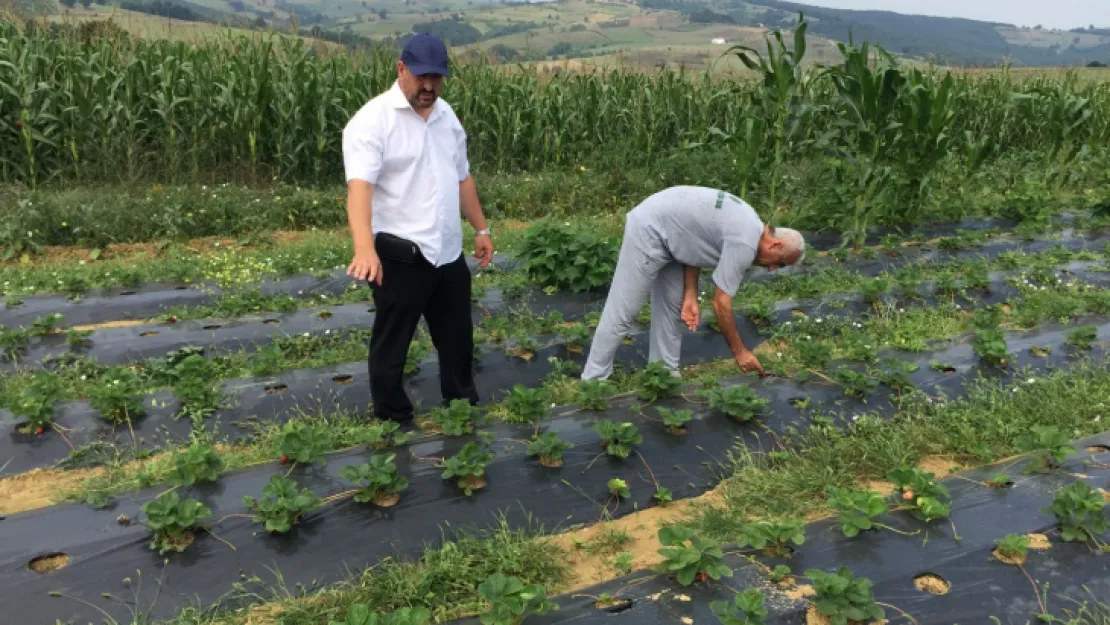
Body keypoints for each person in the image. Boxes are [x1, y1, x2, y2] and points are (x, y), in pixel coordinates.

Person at [341, 33, 494, 424]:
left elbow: (462, 178)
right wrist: (364, 248)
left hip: (447, 253)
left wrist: (481, 228)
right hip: (399, 255)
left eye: (437, 78)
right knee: (393, 345)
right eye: (422, 77)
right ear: (401, 69)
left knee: (458, 340)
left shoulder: (447, 118)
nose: (429, 87)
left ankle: (461, 408)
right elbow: (360, 188)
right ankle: (392, 420)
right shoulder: (373, 120)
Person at [580, 186, 805, 381]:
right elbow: (721, 304)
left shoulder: (751, 224)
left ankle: (663, 375)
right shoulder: (745, 243)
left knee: (672, 309)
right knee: (623, 310)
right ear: (775, 245)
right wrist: (741, 352)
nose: (773, 269)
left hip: (673, 232)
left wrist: (690, 294)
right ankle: (594, 380)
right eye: (781, 263)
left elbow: (696, 240)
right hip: (651, 228)